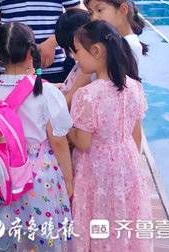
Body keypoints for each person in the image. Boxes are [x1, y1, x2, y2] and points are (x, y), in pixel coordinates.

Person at [0, 22, 73, 252]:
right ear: (32, 52)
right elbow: (58, 140)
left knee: (5, 234)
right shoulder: (45, 91)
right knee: (44, 237)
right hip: (37, 177)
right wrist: (69, 180)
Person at [68, 21, 151, 252]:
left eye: (77, 50)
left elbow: (83, 143)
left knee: (98, 217)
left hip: (96, 167)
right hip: (128, 163)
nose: (75, 57)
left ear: (96, 51)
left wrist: (64, 128)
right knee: (124, 215)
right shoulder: (134, 87)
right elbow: (136, 135)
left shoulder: (87, 95)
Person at [85, 0, 149, 62]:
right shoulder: (113, 42)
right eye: (91, 13)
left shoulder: (129, 46)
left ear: (123, 9)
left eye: (99, 10)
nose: (93, 18)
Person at [54, 9, 92, 107]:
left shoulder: (88, 69)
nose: (73, 56)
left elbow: (68, 101)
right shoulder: (81, 64)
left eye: (74, 50)